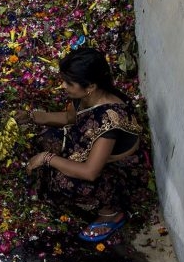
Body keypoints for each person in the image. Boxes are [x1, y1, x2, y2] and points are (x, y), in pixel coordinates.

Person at [24, 47, 147, 242]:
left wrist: (47, 158)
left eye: (69, 83)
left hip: (115, 173)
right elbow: (71, 118)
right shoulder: (87, 96)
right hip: (90, 150)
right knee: (44, 137)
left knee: (63, 182)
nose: (63, 86)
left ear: (90, 85)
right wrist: (34, 117)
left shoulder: (109, 121)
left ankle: (112, 213)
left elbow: (90, 172)